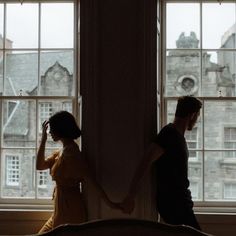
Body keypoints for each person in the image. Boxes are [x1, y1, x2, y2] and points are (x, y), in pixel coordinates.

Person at [121, 96, 202, 230]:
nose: (197, 120)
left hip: (180, 201)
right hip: (173, 202)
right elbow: (145, 162)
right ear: (192, 115)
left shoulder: (177, 136)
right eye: (197, 116)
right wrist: (130, 196)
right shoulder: (168, 134)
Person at [36, 111, 119, 233]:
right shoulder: (61, 152)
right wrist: (43, 140)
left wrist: (110, 204)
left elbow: (90, 179)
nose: (50, 133)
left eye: (52, 129)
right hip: (59, 210)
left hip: (70, 211)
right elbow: (40, 165)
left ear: (61, 129)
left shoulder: (72, 155)